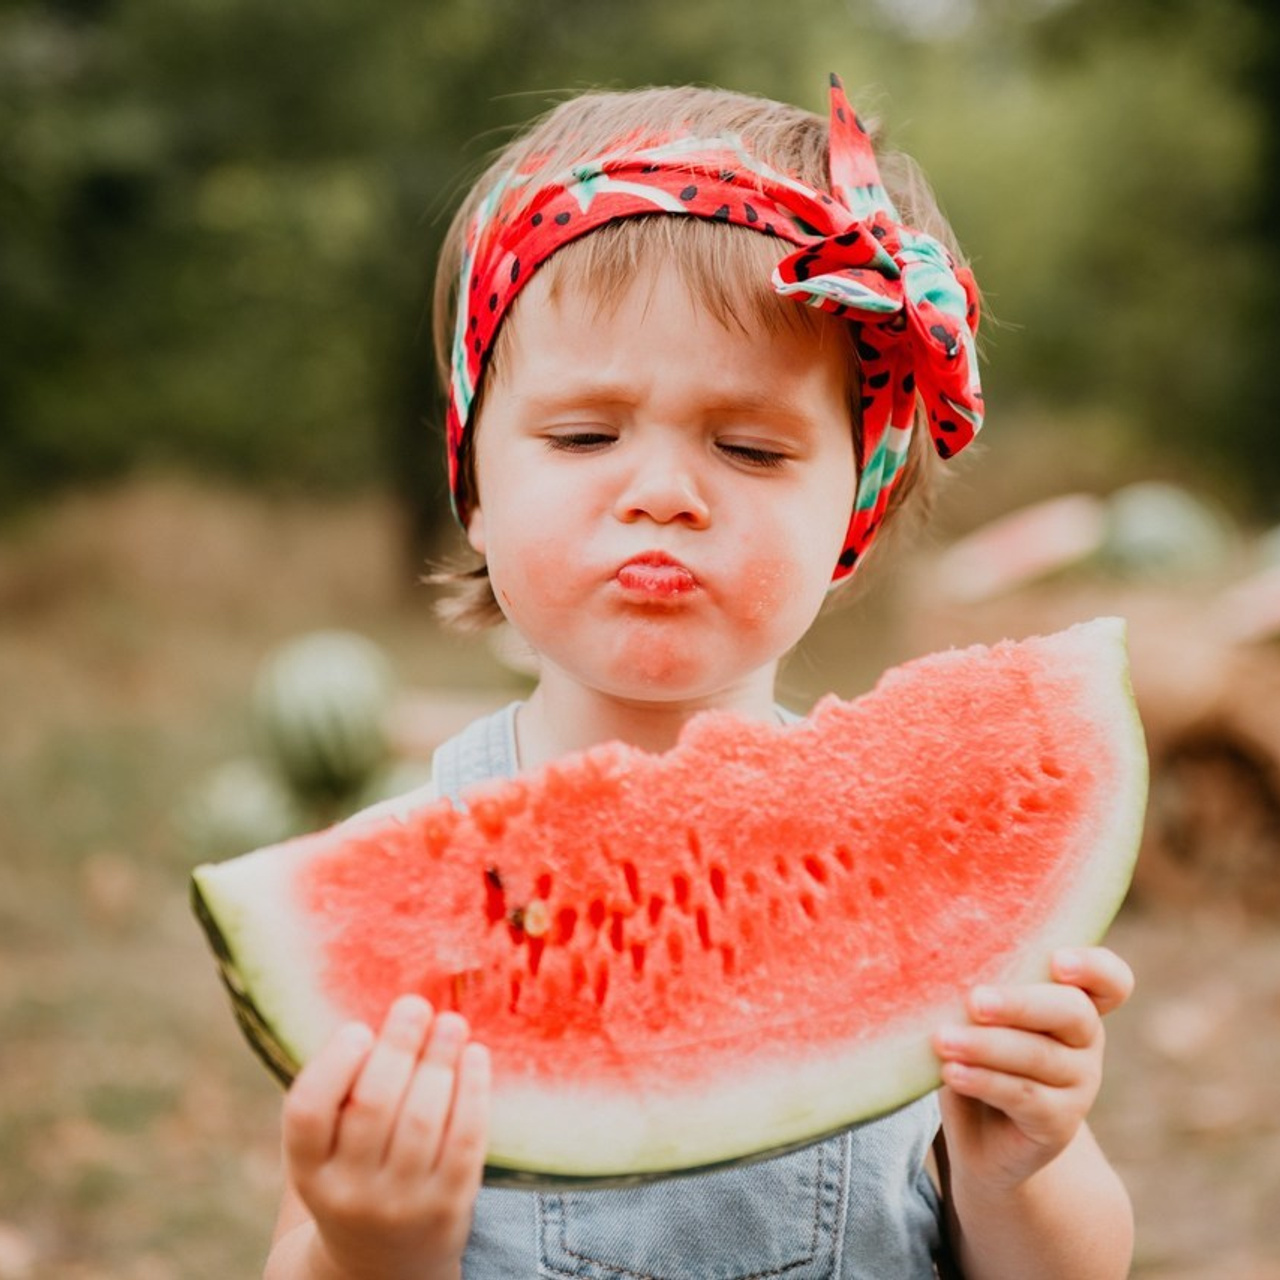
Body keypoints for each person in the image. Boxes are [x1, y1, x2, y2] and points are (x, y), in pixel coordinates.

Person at [263, 74, 1136, 1280]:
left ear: (855, 510)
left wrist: (1018, 1168)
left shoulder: (921, 879)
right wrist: (372, 1239)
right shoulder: (411, 882)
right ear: (473, 486)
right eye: (582, 435)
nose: (662, 491)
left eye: (748, 446)